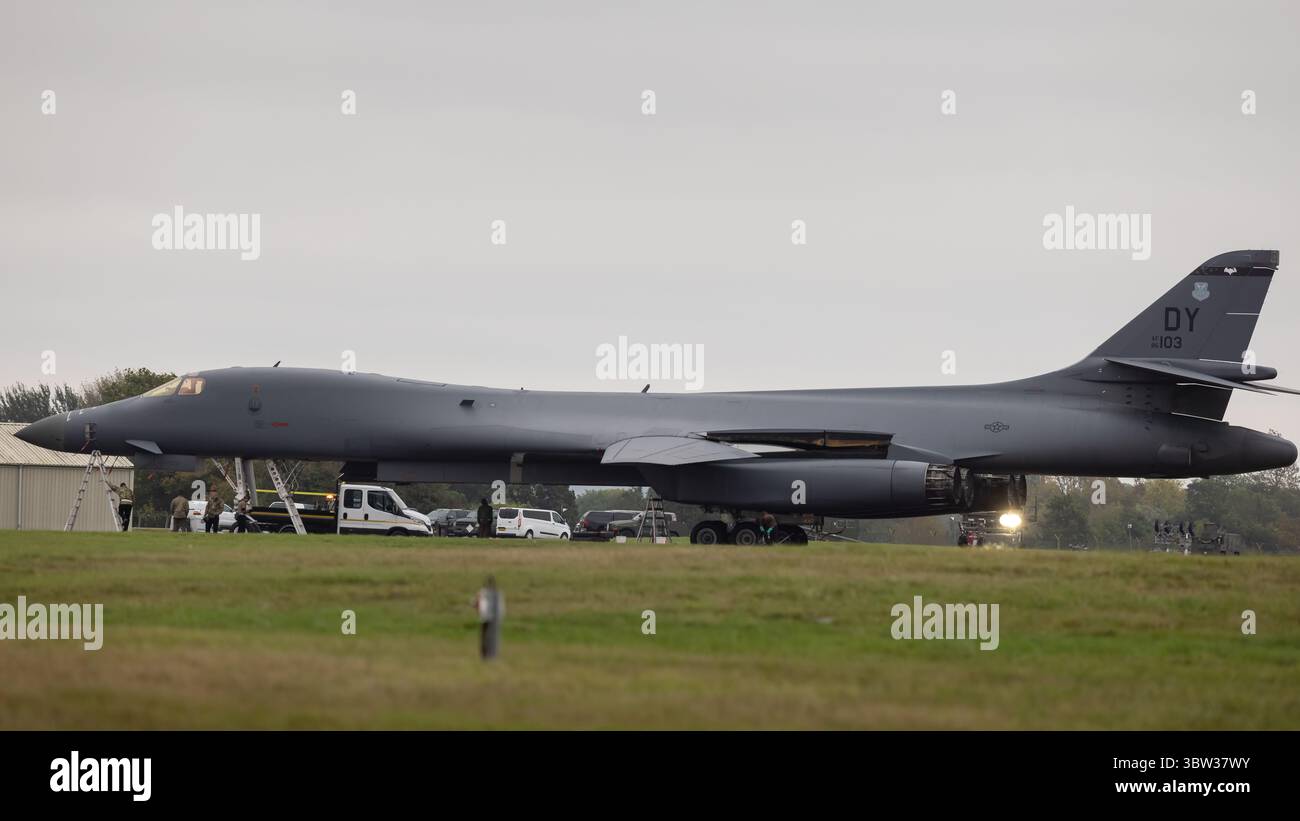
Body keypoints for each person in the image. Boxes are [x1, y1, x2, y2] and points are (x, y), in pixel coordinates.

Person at [474, 575, 505, 659]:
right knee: (490, 638)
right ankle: (489, 655)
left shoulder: (483, 592)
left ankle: (488, 655)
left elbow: (477, 604)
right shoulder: (497, 593)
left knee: (487, 638)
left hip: (487, 617)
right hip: (492, 618)